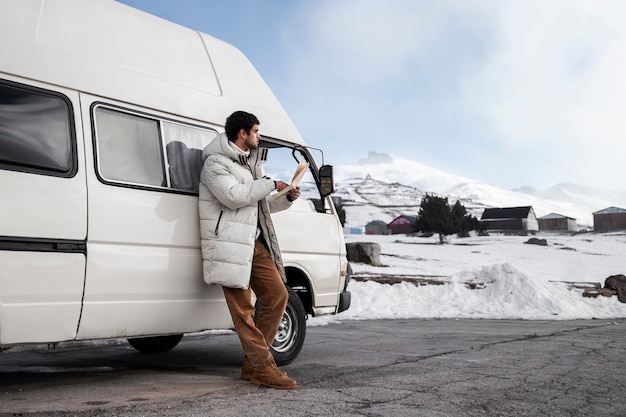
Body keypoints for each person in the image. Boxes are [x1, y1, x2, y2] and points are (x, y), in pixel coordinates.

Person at [198, 110, 300, 390]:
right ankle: (264, 368)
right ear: (242, 133)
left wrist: (285, 198)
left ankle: (251, 364)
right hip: (229, 245)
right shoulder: (216, 163)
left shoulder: (246, 165)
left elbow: (257, 205)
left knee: (277, 296)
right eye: (256, 131)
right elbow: (233, 197)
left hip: (253, 244)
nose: (259, 136)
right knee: (243, 311)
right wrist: (268, 184)